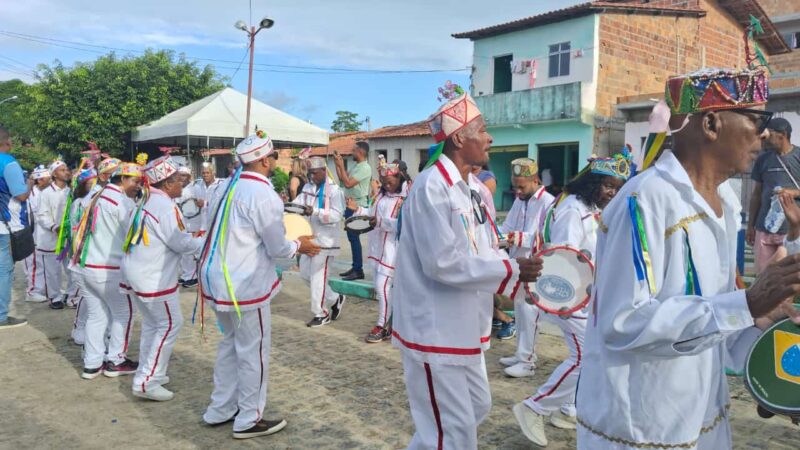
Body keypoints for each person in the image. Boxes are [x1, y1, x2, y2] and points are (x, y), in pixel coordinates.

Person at [575, 68, 800, 449]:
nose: (763, 134)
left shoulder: (726, 202)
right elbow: (623, 322)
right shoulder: (644, 200)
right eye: (756, 119)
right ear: (711, 124)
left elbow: (716, 321)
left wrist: (763, 333)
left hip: (702, 413)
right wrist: (745, 304)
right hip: (642, 425)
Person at [392, 89, 542, 449]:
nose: (490, 138)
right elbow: (441, 262)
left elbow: (484, 247)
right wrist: (510, 270)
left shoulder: (470, 189)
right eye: (483, 130)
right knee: (452, 430)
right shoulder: (432, 186)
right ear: (459, 138)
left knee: (475, 406)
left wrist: (516, 277)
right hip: (435, 329)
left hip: (463, 325)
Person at [200, 130, 320, 439]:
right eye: (274, 156)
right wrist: (300, 245)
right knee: (253, 351)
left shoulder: (225, 186)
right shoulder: (262, 194)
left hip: (217, 280)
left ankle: (220, 408)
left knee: (230, 346)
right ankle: (249, 418)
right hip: (244, 285)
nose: (275, 161)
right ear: (265, 161)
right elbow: (277, 248)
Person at [514, 151, 629, 445]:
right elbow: (563, 258)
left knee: (588, 356)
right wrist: (566, 303)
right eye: (607, 186)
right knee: (585, 358)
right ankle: (535, 407)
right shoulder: (572, 209)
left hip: (589, 297)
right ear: (592, 182)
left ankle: (568, 410)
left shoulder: (593, 208)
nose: (612, 193)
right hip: (573, 297)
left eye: (617, 188)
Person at [122, 154, 204, 401]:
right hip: (153, 277)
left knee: (153, 325)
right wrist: (206, 242)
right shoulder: (164, 206)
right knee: (169, 324)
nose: (182, 184)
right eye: (179, 180)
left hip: (142, 273)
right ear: (167, 183)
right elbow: (179, 243)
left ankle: (149, 372)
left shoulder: (150, 200)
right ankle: (147, 381)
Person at [72, 162, 142, 379]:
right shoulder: (122, 202)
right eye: (135, 181)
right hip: (108, 268)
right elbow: (134, 235)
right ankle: (116, 360)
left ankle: (92, 364)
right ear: (123, 179)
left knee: (97, 315)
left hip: (85, 266)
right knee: (124, 312)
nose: (138, 186)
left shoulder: (96, 195)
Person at [497, 158, 555, 378]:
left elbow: (548, 236)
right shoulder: (519, 201)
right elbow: (508, 227)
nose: (518, 191)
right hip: (519, 265)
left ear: (535, 180)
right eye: (515, 186)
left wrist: (519, 238)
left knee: (531, 313)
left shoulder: (548, 202)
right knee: (520, 311)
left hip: (535, 265)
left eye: (521, 186)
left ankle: (528, 362)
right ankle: (521, 354)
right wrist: (499, 236)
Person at [346, 160, 409, 343]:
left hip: (392, 251)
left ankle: (382, 325)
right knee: (381, 288)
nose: (386, 185)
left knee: (382, 288)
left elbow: (404, 224)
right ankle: (391, 324)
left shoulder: (406, 199)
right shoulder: (380, 195)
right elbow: (371, 214)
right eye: (383, 182)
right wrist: (357, 209)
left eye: (390, 182)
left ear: (399, 178)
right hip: (376, 249)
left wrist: (380, 222)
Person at [291, 156, 346, 327]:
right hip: (309, 239)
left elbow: (337, 215)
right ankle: (335, 298)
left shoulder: (335, 191)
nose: (312, 176)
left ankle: (321, 313)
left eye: (315, 173)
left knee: (317, 277)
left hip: (326, 242)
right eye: (310, 173)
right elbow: (298, 204)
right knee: (305, 275)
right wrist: (287, 208)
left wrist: (315, 211)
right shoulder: (308, 187)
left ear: (324, 170)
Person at [747, 117, 799, 273]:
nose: (765, 138)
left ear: (782, 135)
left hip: (792, 231)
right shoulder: (763, 159)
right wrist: (750, 226)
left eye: (769, 134)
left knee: (790, 277)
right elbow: (756, 195)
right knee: (763, 276)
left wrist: (793, 192)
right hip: (764, 229)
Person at [0, 125, 32, 329]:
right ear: (7, 142)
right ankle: (1, 316)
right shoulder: (8, 163)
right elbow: (20, 195)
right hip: (4, 225)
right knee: (4, 270)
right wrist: (29, 184)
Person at [66, 167, 99, 345]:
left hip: (99, 255)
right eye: (90, 183)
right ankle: (78, 327)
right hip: (83, 254)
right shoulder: (78, 203)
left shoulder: (101, 200)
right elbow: (76, 229)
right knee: (85, 296)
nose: (94, 185)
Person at [35, 159, 72, 309]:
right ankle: (55, 297)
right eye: (62, 170)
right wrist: (54, 227)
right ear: (54, 174)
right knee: (53, 271)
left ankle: (71, 295)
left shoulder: (71, 192)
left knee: (71, 269)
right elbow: (42, 215)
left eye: (67, 169)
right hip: (51, 238)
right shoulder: (46, 193)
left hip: (68, 238)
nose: (66, 172)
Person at [334, 141, 371, 281]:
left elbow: (348, 183)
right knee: (352, 238)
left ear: (360, 152)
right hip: (350, 205)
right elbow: (343, 180)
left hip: (357, 206)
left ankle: (358, 269)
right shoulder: (357, 166)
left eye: (354, 150)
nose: (351, 153)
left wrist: (341, 165)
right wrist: (338, 165)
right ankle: (356, 267)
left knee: (354, 238)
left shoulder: (365, 168)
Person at [24, 165, 51, 303]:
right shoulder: (30, 195)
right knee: (34, 264)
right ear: (39, 180)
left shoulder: (46, 192)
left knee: (45, 263)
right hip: (33, 235)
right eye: (48, 179)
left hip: (43, 235)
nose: (51, 181)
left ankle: (46, 289)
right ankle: (32, 291)